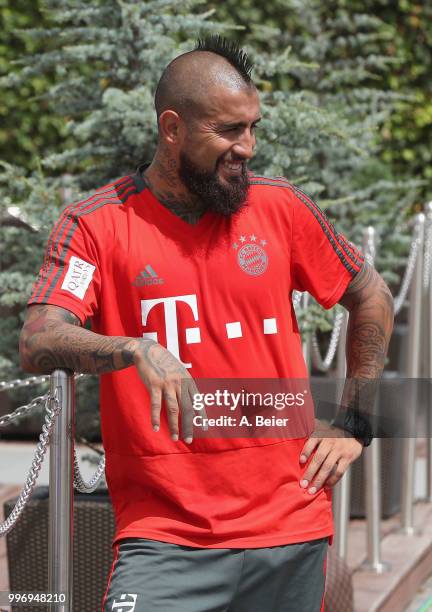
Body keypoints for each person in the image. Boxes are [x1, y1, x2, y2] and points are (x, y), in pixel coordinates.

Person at [19, 36, 394, 612]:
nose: (247, 146)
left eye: (253, 128)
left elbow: (371, 296)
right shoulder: (95, 225)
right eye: (228, 131)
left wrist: (355, 421)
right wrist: (134, 349)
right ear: (172, 128)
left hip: (290, 527)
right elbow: (40, 337)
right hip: (163, 538)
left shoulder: (281, 208)